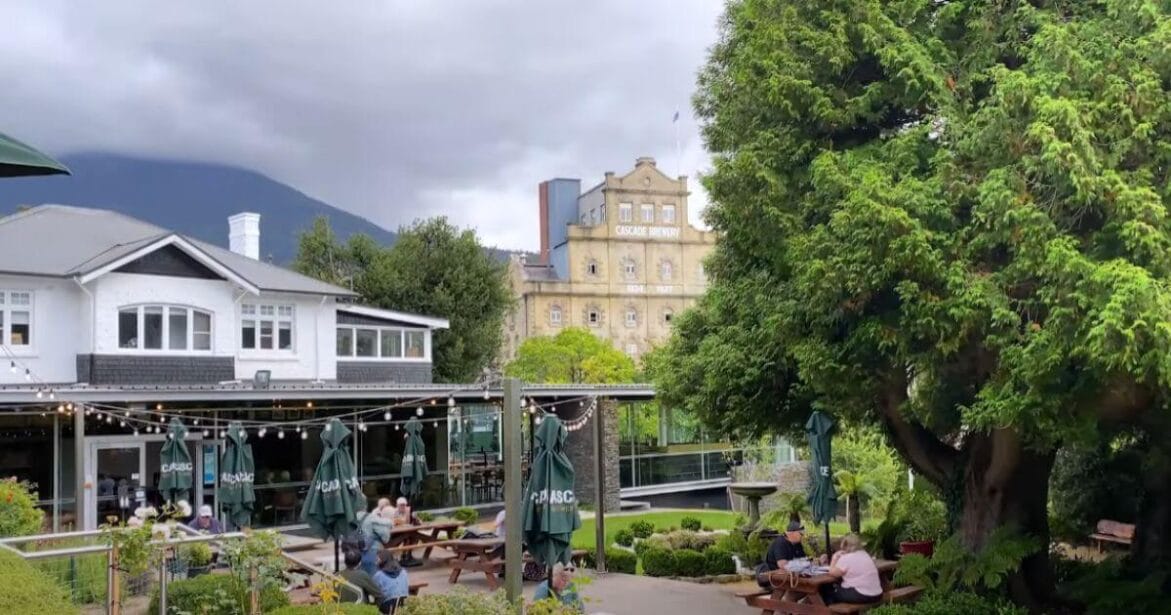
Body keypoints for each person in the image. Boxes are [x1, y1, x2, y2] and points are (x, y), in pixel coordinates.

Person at [757, 521, 825, 588]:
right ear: (791, 533)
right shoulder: (780, 543)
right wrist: (801, 564)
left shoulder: (797, 544)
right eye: (801, 533)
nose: (803, 536)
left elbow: (804, 560)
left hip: (791, 577)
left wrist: (817, 561)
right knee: (806, 588)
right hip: (775, 578)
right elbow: (783, 565)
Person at [825, 534, 883, 605]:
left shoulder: (846, 558)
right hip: (877, 594)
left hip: (862, 595)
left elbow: (832, 572)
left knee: (829, 593)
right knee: (837, 589)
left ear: (845, 545)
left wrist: (834, 558)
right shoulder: (865, 554)